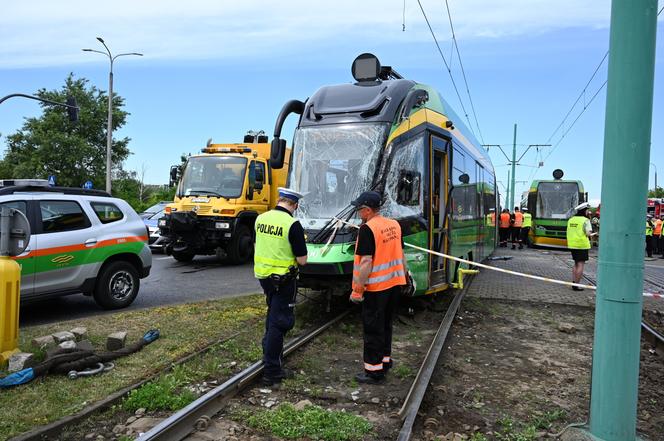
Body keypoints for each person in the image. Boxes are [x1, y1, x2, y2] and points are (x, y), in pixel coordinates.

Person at [350, 191, 409, 384]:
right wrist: (406, 276)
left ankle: (374, 371)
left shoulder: (368, 229)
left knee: (373, 328)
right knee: (386, 325)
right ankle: (385, 360)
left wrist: (358, 290)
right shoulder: (394, 225)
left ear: (367, 210)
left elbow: (366, 262)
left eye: (359, 209)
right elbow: (401, 255)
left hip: (376, 288)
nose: (358, 213)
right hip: (394, 284)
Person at [254, 188, 308, 386]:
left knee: (272, 316)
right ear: (295, 205)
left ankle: (267, 353)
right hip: (284, 280)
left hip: (265, 278)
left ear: (279, 200)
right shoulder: (292, 224)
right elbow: (302, 260)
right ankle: (272, 371)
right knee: (279, 322)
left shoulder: (261, 219)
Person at [566, 202, 596, 291]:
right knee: (580, 264)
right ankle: (576, 285)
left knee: (575, 263)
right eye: (587, 210)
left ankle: (574, 282)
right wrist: (595, 233)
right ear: (584, 211)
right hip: (582, 245)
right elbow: (588, 233)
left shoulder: (571, 220)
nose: (588, 212)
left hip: (572, 244)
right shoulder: (585, 220)